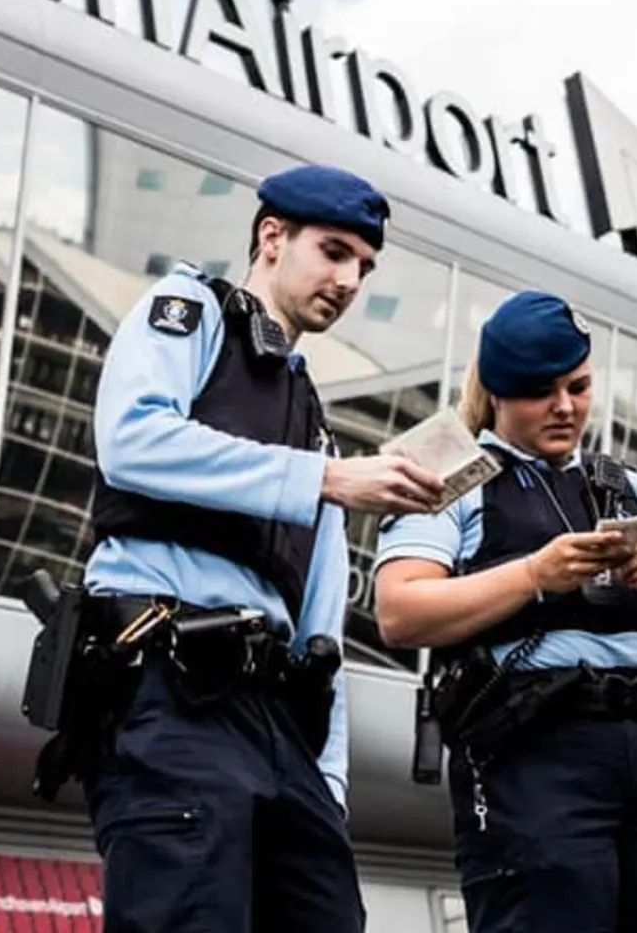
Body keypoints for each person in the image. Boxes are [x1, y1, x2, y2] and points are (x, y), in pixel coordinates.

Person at [76, 164, 446, 933]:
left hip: (279, 724)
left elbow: (322, 626)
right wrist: (324, 479)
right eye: (335, 251)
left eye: (365, 267)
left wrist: (330, 781)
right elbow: (133, 440)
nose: (350, 279)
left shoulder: (312, 415)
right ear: (271, 237)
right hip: (171, 682)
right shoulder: (190, 309)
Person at [373, 291, 637, 932]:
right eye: (543, 392)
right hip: (533, 745)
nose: (566, 407)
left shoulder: (629, 484)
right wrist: (535, 575)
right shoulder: (449, 470)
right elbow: (399, 611)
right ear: (501, 394)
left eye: (580, 386)